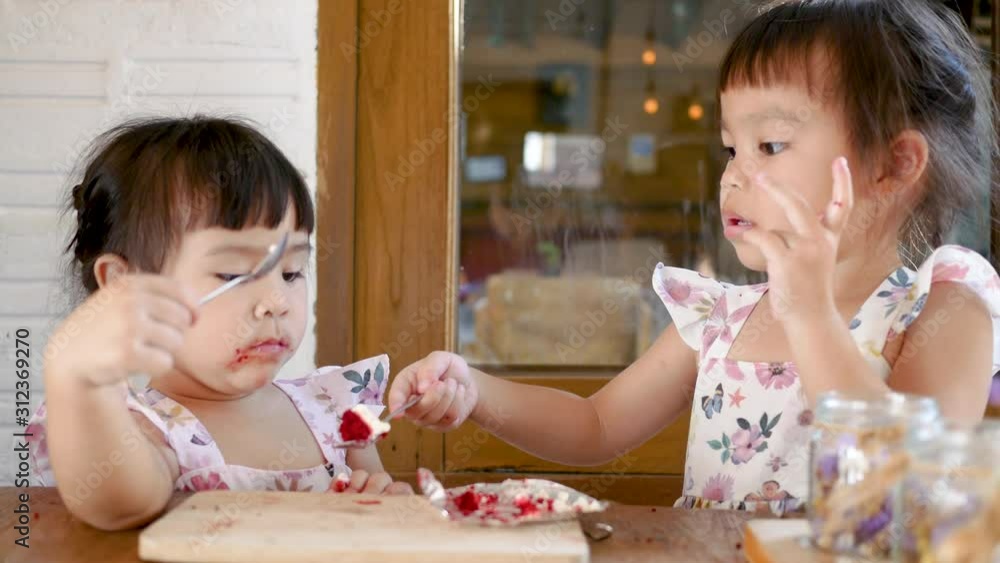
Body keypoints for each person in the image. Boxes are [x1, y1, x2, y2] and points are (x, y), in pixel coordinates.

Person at [387, 0, 1000, 515]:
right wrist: (474, 392)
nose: (733, 176)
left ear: (894, 164)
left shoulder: (941, 310)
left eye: (771, 145)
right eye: (732, 148)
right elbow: (594, 425)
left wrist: (809, 313)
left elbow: (907, 482)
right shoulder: (719, 318)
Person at [26, 116, 410, 531]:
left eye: (291, 272)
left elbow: (379, 519)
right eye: (233, 275)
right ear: (124, 288)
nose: (276, 302)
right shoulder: (149, 430)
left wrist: (380, 502)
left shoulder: (333, 408)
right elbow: (119, 504)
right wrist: (78, 382)